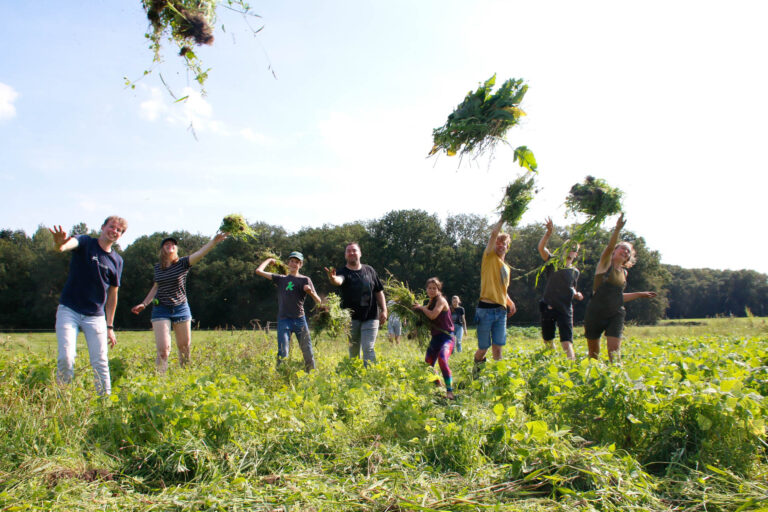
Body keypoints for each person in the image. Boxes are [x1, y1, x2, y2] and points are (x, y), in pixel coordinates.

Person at [50, 216, 127, 396]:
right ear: (102, 227)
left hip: (96, 316)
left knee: (101, 361)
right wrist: (60, 245)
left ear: (120, 235)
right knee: (66, 358)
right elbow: (67, 245)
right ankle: (64, 401)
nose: (114, 231)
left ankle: (104, 402)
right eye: (112, 226)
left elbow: (113, 295)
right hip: (69, 310)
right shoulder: (85, 242)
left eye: (119, 230)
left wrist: (110, 326)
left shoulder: (117, 261)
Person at [131, 233, 226, 372]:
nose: (170, 245)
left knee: (184, 347)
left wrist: (213, 242)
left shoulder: (182, 263)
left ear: (176, 249)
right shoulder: (158, 268)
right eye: (167, 244)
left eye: (173, 244)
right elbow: (156, 286)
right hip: (161, 309)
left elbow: (200, 254)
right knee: (163, 350)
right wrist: (144, 304)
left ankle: (185, 376)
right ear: (162, 249)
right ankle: (160, 382)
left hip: (181, 308)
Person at [583, 214, 657, 362]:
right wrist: (617, 229)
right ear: (615, 251)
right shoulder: (604, 265)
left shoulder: (624, 273)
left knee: (614, 353)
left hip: (615, 313)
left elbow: (618, 297)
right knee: (593, 355)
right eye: (623, 248)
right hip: (595, 313)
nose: (625, 252)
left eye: (628, 251)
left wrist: (639, 294)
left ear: (628, 258)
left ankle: (616, 377)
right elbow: (609, 247)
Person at [256, 251, 322, 372]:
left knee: (307, 350)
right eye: (292, 261)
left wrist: (310, 292)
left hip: (299, 320)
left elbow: (318, 301)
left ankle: (311, 374)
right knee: (283, 350)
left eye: (297, 262)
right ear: (288, 263)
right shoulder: (281, 279)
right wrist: (269, 260)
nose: (293, 264)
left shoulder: (305, 280)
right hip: (284, 320)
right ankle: (281, 375)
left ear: (300, 265)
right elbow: (258, 271)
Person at [325, 242, 387, 365]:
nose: (351, 253)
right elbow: (339, 280)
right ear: (345, 255)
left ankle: (370, 375)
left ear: (360, 253)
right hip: (350, 319)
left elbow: (379, 291)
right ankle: (354, 375)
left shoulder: (370, 270)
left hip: (371, 316)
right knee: (353, 350)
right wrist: (332, 278)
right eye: (348, 251)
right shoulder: (343, 272)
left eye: (354, 250)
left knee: (368, 348)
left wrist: (384, 310)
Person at [473, 216, 516, 373]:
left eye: (503, 243)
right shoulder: (489, 257)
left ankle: (499, 378)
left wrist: (510, 302)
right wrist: (504, 218)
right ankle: (477, 374)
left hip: (501, 312)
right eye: (498, 242)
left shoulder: (507, 268)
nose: (500, 245)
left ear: (507, 247)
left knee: (498, 348)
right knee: (483, 348)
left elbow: (503, 290)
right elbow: (493, 234)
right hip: (485, 310)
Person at [537, 218, 583, 360]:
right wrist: (548, 233)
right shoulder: (553, 262)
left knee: (566, 341)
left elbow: (571, 288)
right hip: (548, 306)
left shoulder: (575, 271)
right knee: (548, 339)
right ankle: (552, 360)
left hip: (565, 309)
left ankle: (571, 366)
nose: (571, 251)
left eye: (574, 250)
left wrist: (577, 294)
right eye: (569, 248)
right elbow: (541, 248)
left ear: (576, 254)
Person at [413, 277, 455, 399]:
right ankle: (438, 385)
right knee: (428, 363)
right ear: (426, 289)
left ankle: (450, 392)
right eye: (429, 288)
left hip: (447, 337)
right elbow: (426, 319)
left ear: (438, 289)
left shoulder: (441, 301)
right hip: (436, 338)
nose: (431, 290)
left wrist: (421, 308)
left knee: (442, 359)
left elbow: (432, 315)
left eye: (434, 288)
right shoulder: (430, 303)